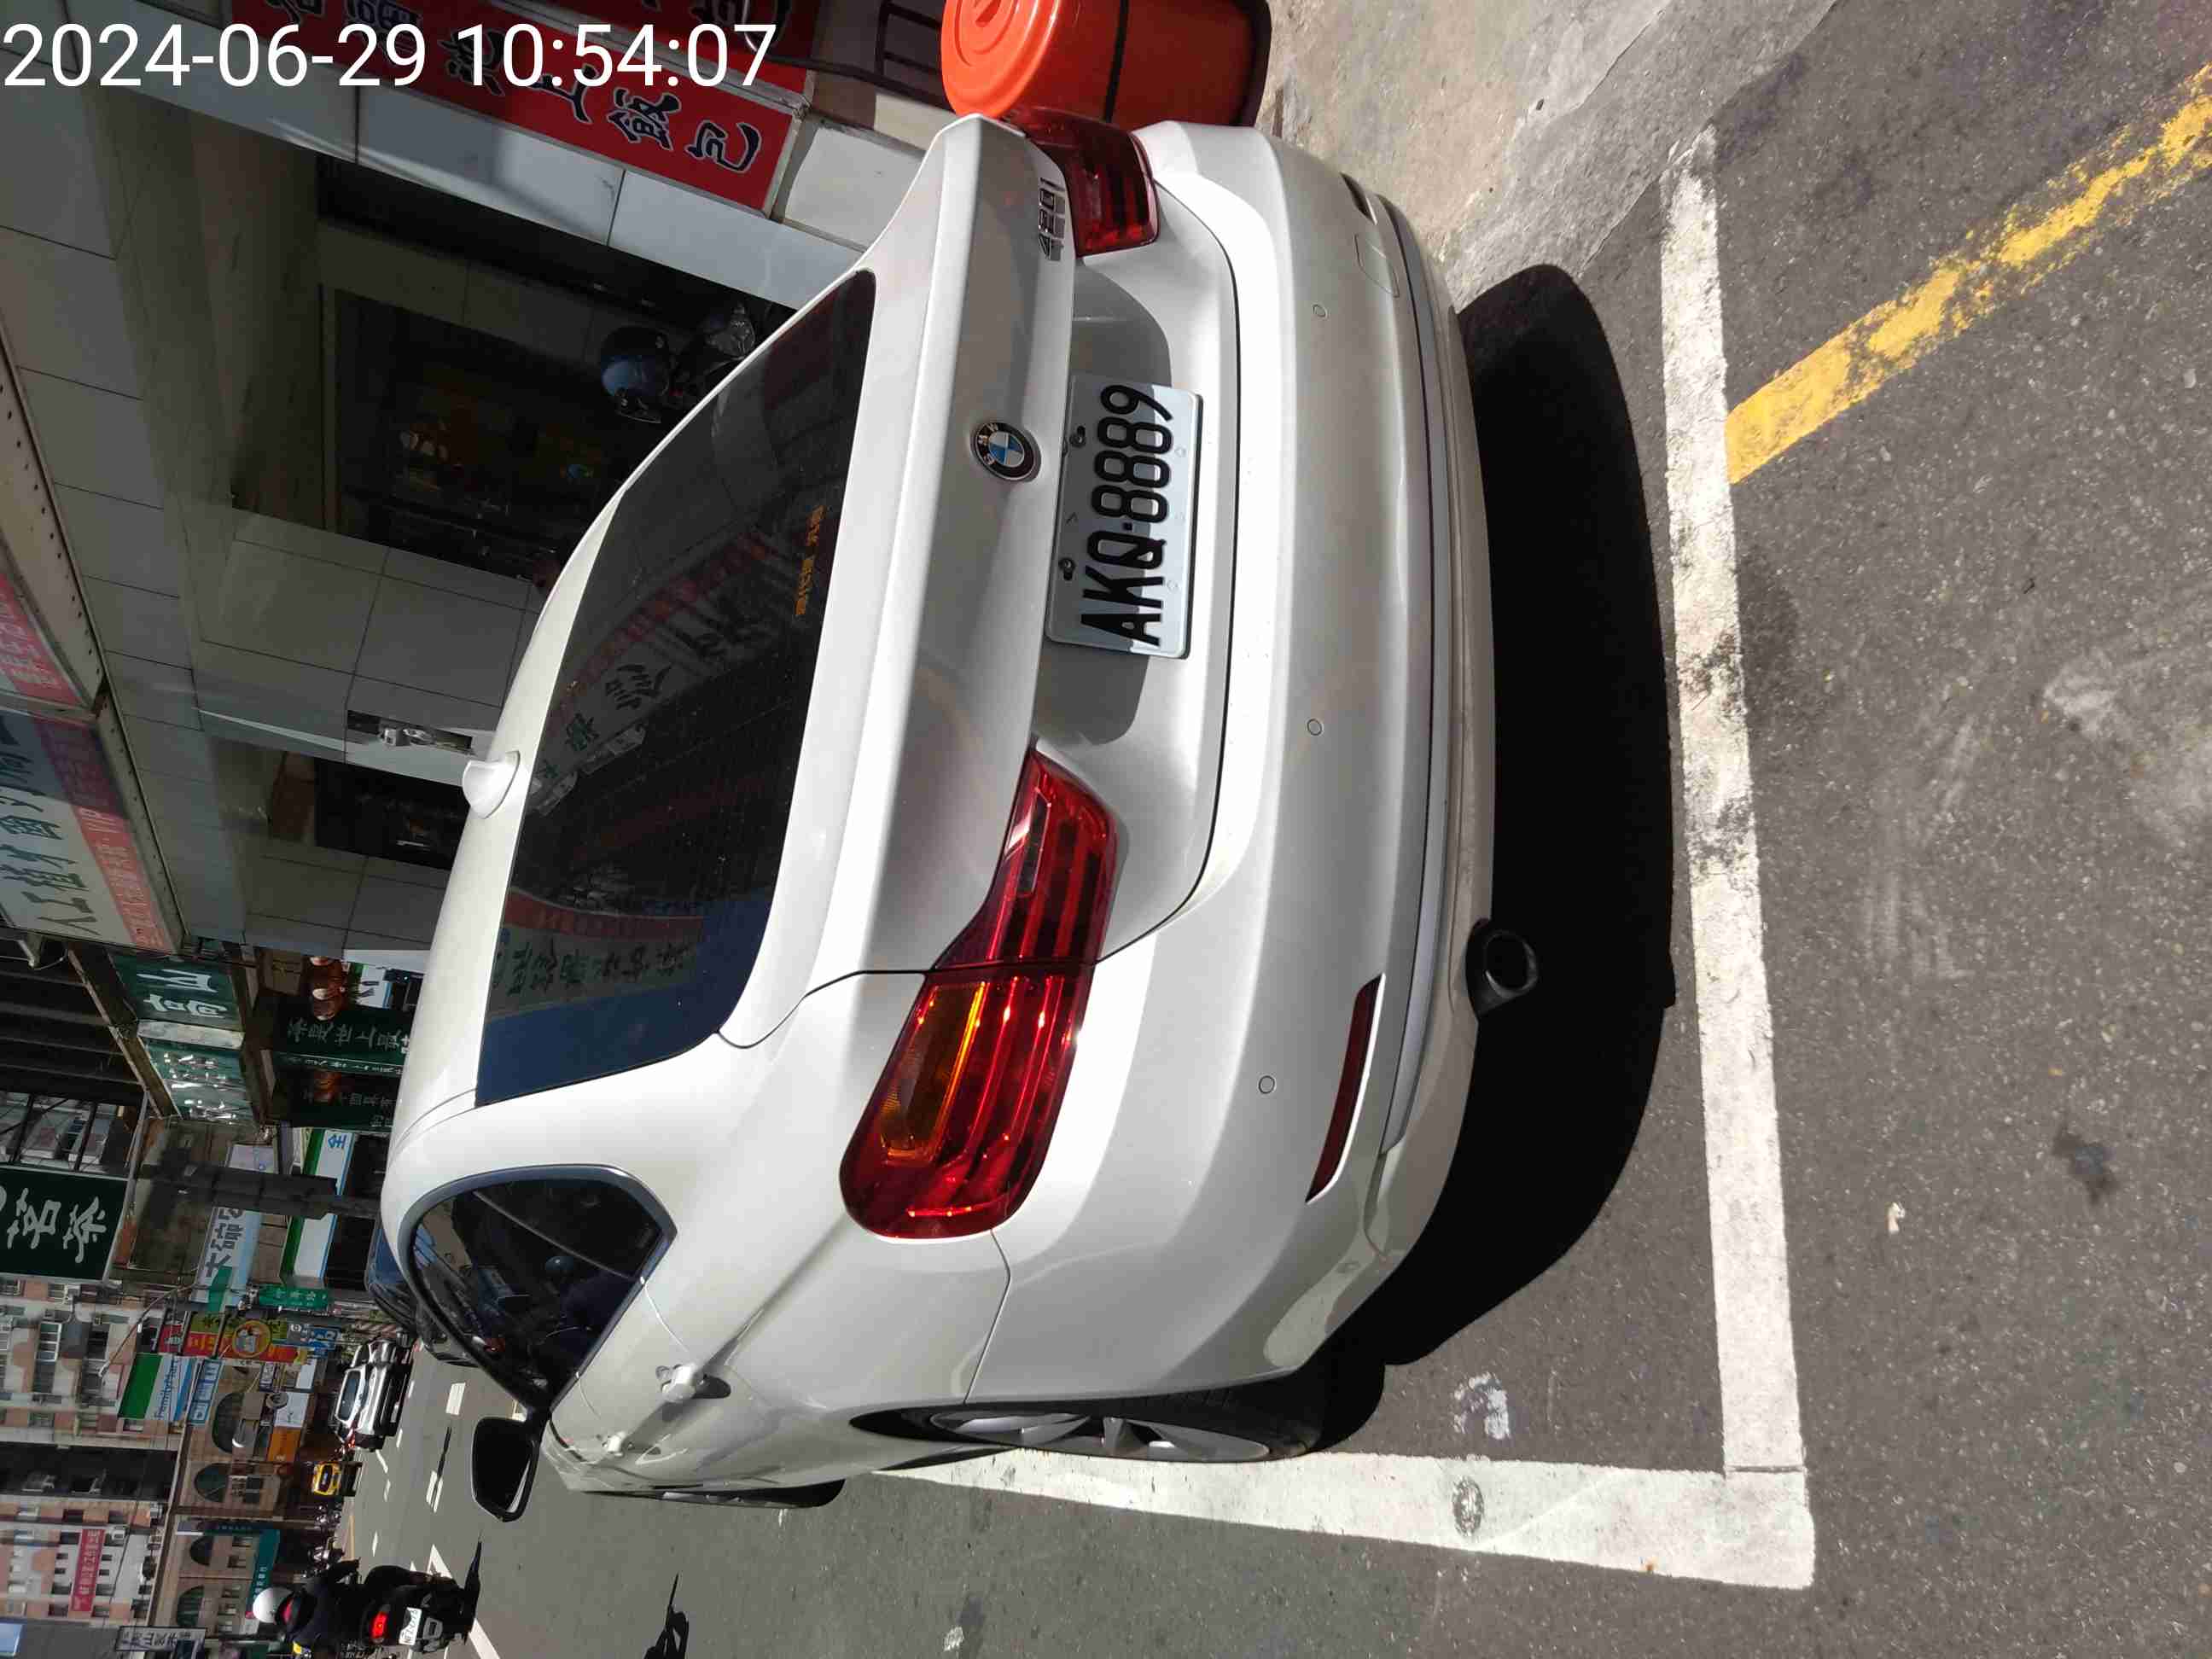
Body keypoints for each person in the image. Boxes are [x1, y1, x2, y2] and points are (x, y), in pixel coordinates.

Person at [254, 1561, 415, 1653]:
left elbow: (328, 1651)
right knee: (379, 1573)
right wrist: (353, 1564)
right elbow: (340, 1569)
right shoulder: (313, 1586)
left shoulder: (301, 1640)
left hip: (365, 1637)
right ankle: (422, 1580)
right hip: (372, 1602)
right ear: (280, 1592)